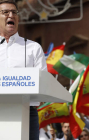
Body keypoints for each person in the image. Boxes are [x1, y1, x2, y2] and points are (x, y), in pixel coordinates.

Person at [0, 0, 47, 140]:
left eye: (14, 12)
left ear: (18, 19)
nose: (11, 15)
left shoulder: (33, 48)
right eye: (5, 12)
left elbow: (43, 82)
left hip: (26, 112)